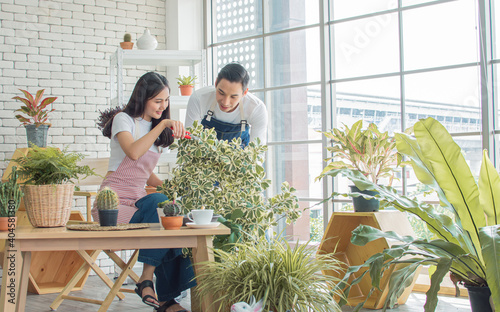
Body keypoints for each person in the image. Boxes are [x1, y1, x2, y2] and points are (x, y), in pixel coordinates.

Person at [92, 72, 193, 312]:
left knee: (171, 216)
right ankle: (157, 290)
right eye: (158, 100)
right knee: (160, 211)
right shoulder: (123, 120)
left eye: (166, 100)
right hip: (112, 206)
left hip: (139, 202)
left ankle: (159, 292)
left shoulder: (155, 128)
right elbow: (134, 154)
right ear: (143, 97)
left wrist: (172, 187)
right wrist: (162, 125)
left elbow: (144, 173)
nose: (163, 106)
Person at [185, 63, 268, 147]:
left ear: (244, 92)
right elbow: (190, 139)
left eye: (233, 97)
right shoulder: (199, 98)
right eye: (221, 93)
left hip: (239, 159)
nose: (225, 102)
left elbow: (257, 152)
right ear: (216, 83)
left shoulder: (256, 108)